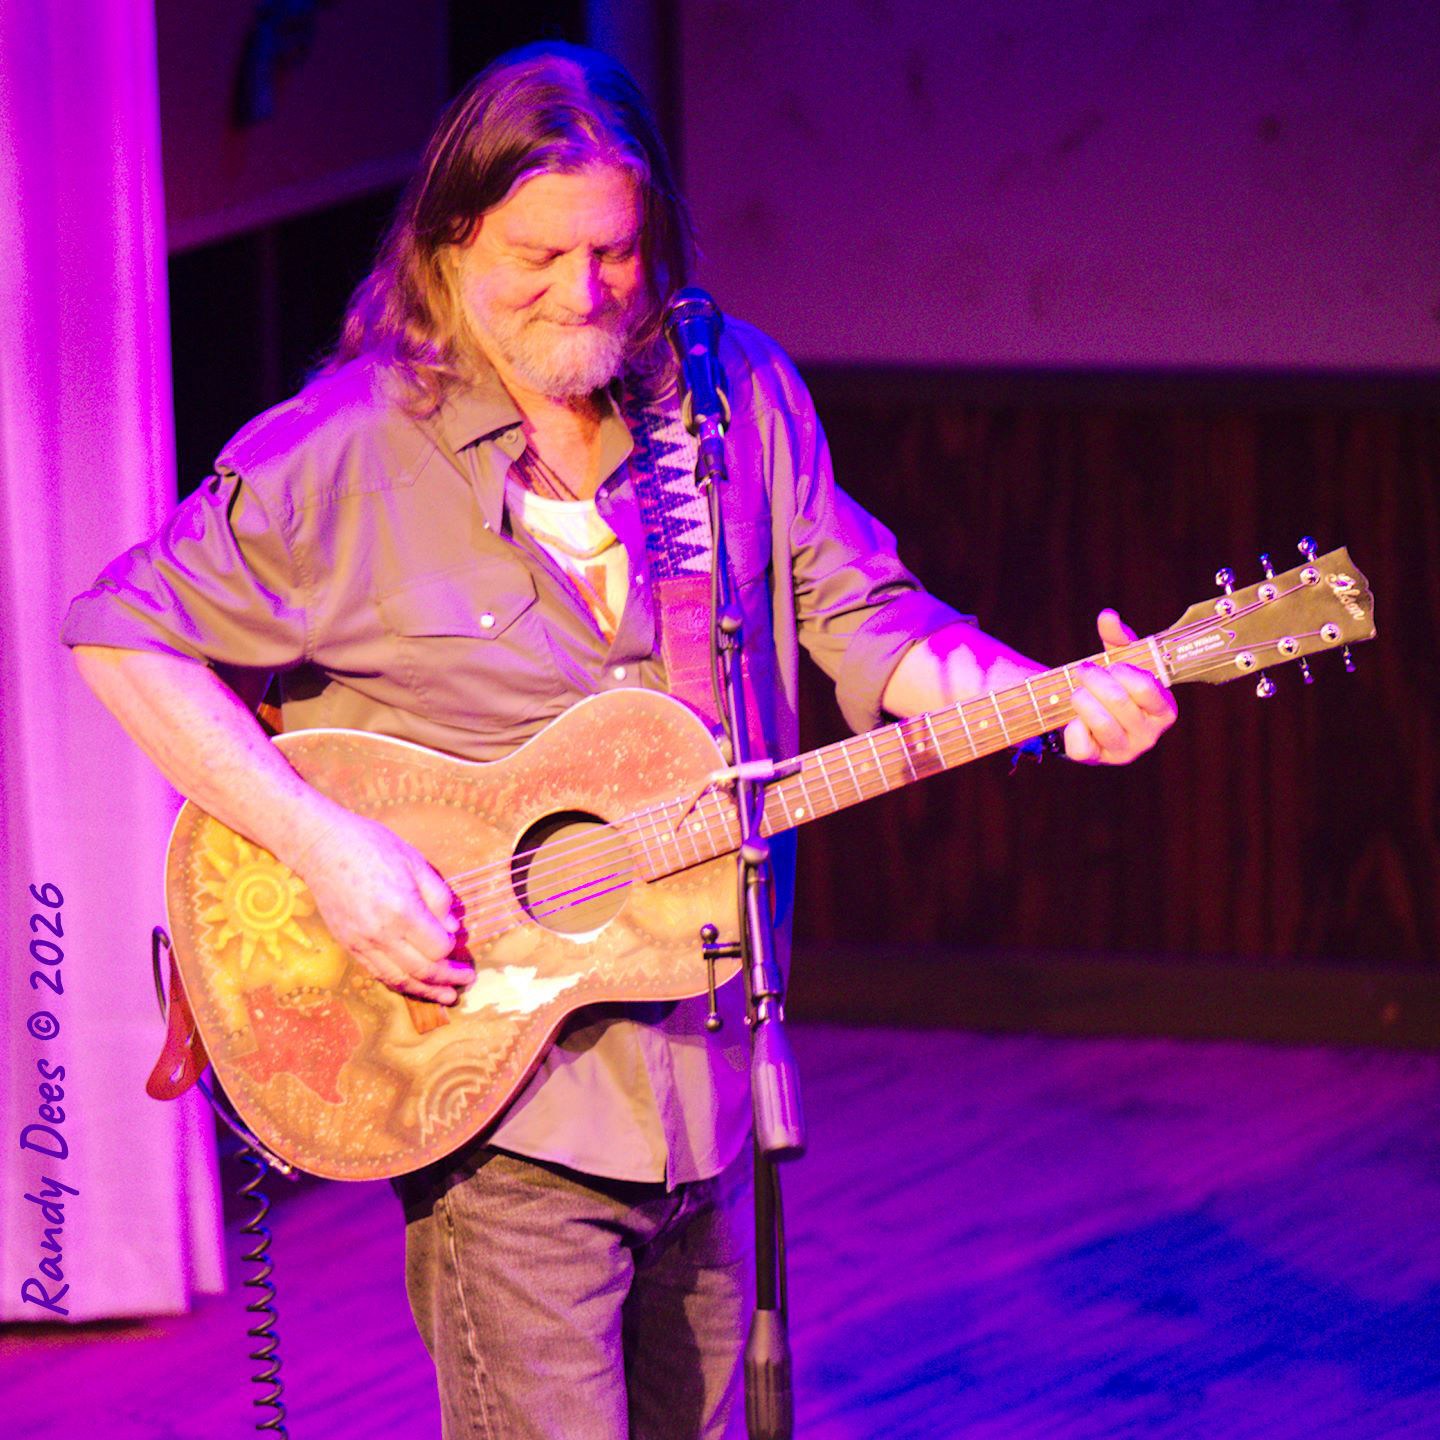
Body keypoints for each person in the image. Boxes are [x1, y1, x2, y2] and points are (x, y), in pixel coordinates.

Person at [63, 41, 1176, 1440]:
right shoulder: (339, 456)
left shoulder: (730, 401)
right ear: (448, 238)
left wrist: (1047, 700)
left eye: (616, 252)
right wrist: (326, 846)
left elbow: (871, 624)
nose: (583, 295)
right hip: (497, 1104)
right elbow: (117, 630)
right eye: (537, 255)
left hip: (713, 1083)